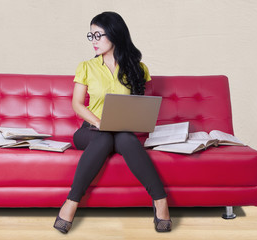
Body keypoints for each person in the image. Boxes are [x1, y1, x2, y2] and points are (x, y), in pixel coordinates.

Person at [53, 11, 171, 234]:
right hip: (90, 131)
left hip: (123, 132)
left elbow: (138, 106)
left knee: (124, 138)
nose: (94, 41)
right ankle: (71, 201)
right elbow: (77, 104)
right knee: (105, 136)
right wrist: (98, 122)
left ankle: (160, 201)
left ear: (115, 34)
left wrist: (135, 121)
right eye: (91, 36)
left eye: (98, 35)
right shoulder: (86, 67)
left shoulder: (138, 67)